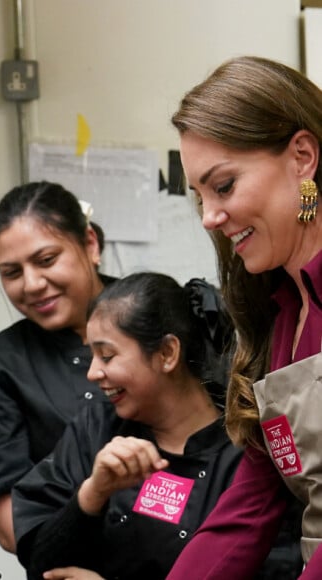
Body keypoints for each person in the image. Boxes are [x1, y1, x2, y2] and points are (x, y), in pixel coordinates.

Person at [166, 55, 322, 579]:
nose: (210, 216)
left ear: (302, 157)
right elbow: (249, 507)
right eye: (201, 196)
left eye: (224, 186)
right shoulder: (280, 318)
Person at [12, 272, 250, 580]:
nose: (93, 373)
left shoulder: (244, 450)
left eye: (107, 356)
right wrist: (92, 494)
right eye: (92, 356)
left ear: (167, 353)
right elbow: (42, 565)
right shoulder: (94, 429)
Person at [0, 181, 115, 553]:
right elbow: (13, 529)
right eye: (11, 273)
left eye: (46, 260)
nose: (33, 284)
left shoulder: (159, 316)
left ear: (90, 244)